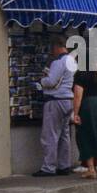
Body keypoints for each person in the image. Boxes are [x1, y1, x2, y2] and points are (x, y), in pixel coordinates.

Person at [33, 38, 76, 177]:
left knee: (50, 135)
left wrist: (41, 80)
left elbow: (51, 81)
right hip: (68, 99)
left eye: (53, 49)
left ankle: (48, 167)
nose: (52, 52)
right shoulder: (72, 61)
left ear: (58, 47)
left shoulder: (58, 62)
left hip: (55, 100)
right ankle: (64, 165)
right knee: (64, 134)